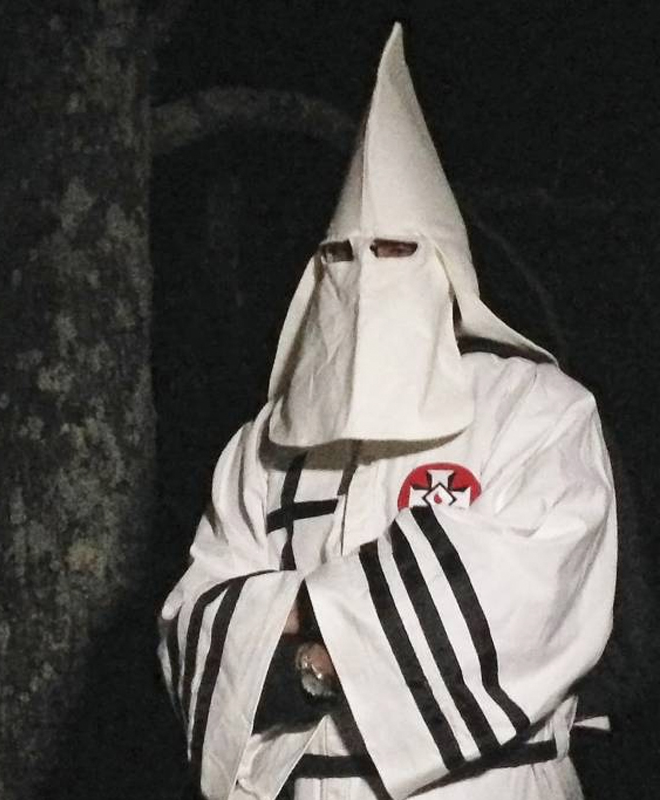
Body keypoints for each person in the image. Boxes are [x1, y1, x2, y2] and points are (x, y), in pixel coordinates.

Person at [158, 24, 616, 800]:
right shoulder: (265, 447)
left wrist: (307, 620)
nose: (367, 276)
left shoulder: (535, 410)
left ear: (444, 267)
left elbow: (530, 593)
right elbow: (196, 622)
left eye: (396, 251)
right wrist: (329, 651)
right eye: (341, 255)